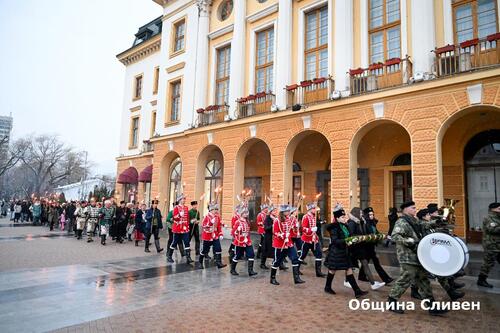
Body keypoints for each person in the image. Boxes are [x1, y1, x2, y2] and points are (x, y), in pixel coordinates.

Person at [387, 201, 448, 316]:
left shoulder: (413, 220)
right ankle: (392, 301)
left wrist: (438, 222)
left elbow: (424, 225)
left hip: (417, 256)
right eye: (413, 208)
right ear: (406, 209)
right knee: (405, 279)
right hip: (407, 256)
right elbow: (395, 236)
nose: (415, 210)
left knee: (423, 280)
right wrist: (408, 241)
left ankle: (432, 306)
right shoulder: (401, 222)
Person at [416, 208, 464, 301]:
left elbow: (434, 232)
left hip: (430, 252)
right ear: (423, 216)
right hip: (424, 254)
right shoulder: (421, 223)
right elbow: (429, 226)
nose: (430, 216)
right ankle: (416, 292)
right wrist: (441, 218)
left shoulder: (427, 224)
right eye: (428, 215)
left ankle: (451, 293)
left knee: (439, 274)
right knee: (414, 276)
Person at [323, 204, 368, 298]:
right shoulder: (334, 227)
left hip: (345, 252)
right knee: (332, 270)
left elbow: (350, 236)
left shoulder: (345, 226)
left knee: (349, 270)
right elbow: (335, 241)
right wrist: (347, 241)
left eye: (344, 216)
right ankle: (327, 287)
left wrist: (355, 239)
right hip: (336, 252)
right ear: (337, 218)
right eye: (342, 217)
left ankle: (357, 291)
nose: (344, 218)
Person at [347, 207, 385, 290]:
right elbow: (351, 235)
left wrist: (368, 237)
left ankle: (373, 284)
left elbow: (364, 232)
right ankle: (347, 281)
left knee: (363, 264)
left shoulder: (361, 222)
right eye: (360, 213)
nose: (362, 214)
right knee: (351, 266)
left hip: (360, 247)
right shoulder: (352, 223)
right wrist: (363, 237)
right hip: (355, 248)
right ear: (356, 213)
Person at [270, 204, 305, 285]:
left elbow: (293, 230)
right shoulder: (277, 220)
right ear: (283, 212)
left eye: (289, 211)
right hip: (279, 244)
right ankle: (272, 278)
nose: (289, 212)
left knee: (295, 258)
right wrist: (282, 235)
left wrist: (296, 227)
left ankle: (296, 278)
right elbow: (275, 232)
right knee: (277, 261)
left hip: (289, 243)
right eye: (287, 211)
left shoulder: (291, 219)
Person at [299, 202, 326, 277]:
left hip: (314, 239)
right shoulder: (305, 217)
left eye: (315, 208)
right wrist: (311, 229)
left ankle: (318, 272)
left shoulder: (314, 216)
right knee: (302, 255)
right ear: (310, 209)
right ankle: (296, 270)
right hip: (307, 239)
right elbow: (303, 229)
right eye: (314, 208)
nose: (315, 210)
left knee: (319, 254)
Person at [477, 202, 500, 288]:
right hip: (491, 245)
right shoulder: (488, 218)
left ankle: (481, 279)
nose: (499, 210)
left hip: (498, 245)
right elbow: (492, 229)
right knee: (488, 263)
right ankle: (481, 280)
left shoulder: (498, 217)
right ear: (492, 209)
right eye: (499, 208)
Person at [230, 206, 257, 276]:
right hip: (240, 242)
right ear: (241, 213)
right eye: (244, 213)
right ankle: (232, 269)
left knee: (251, 254)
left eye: (246, 212)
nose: (246, 214)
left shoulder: (247, 221)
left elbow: (248, 231)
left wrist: (247, 238)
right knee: (237, 255)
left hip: (247, 241)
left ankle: (250, 271)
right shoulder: (237, 222)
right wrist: (237, 230)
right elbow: (233, 233)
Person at [199, 202, 226, 269]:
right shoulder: (206, 217)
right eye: (214, 209)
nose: (216, 211)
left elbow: (219, 226)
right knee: (204, 250)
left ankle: (219, 263)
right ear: (211, 210)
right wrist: (211, 222)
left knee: (218, 248)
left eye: (216, 209)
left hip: (215, 236)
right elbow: (204, 225)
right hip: (207, 236)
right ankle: (200, 263)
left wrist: (220, 234)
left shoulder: (217, 217)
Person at [167, 194, 193, 264]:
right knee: (174, 242)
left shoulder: (186, 208)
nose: (184, 200)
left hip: (185, 228)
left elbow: (187, 218)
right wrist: (179, 215)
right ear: (179, 200)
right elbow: (174, 218)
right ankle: (169, 256)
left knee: (187, 242)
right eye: (183, 199)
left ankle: (188, 257)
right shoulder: (176, 208)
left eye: (184, 199)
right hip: (178, 227)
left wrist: (188, 225)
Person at [260, 205, 275, 270]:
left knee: (276, 251)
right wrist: (273, 225)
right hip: (268, 237)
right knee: (266, 251)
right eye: (274, 211)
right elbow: (266, 228)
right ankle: (262, 264)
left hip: (274, 236)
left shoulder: (276, 218)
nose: (275, 212)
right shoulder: (267, 218)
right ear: (271, 212)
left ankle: (279, 264)